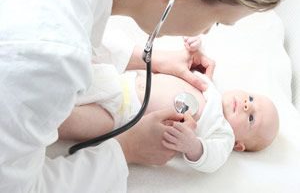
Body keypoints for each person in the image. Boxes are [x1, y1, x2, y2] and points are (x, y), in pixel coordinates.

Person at [0, 0, 293, 192]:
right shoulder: (51, 53)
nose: (204, 33)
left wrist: (147, 57)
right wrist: (126, 149)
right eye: (216, 22)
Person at [59, 40, 279, 173]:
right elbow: (186, 63)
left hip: (123, 119)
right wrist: (195, 45)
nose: (247, 107)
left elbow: (211, 159)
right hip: (121, 81)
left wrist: (193, 146)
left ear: (239, 145)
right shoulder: (209, 86)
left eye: (251, 118)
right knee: (75, 74)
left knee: (70, 121)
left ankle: (41, 121)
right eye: (250, 99)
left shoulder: (222, 133)